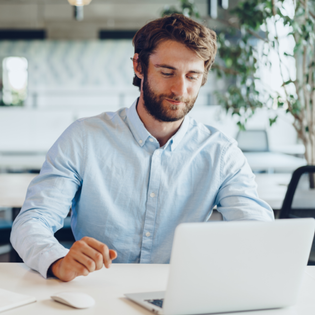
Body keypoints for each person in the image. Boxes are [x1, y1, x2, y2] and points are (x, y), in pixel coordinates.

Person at [11, 14, 274, 282]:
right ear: (139, 66)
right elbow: (31, 222)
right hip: (96, 291)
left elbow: (256, 229)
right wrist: (56, 259)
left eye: (192, 76)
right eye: (167, 72)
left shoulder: (221, 152)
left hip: (181, 293)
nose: (180, 90)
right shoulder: (84, 139)